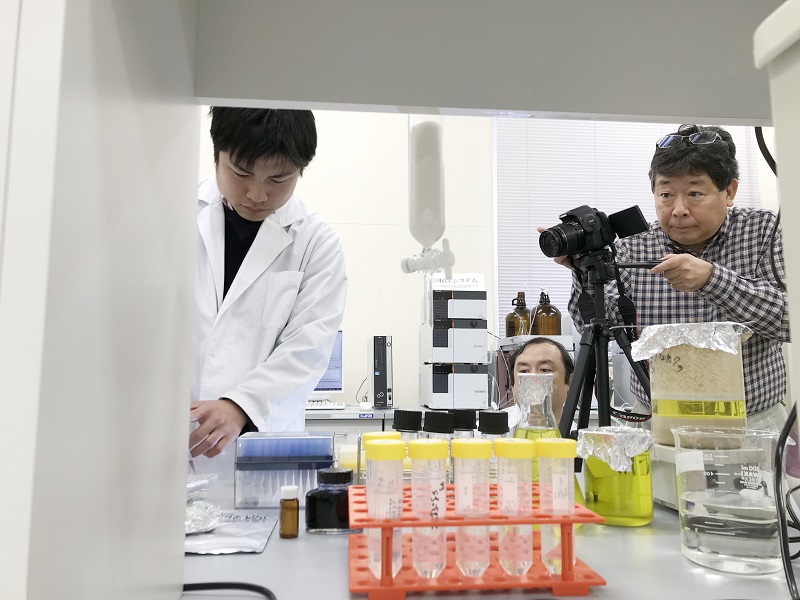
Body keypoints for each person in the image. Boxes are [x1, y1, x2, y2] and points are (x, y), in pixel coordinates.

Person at [555, 124, 788, 431]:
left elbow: (789, 321)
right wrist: (584, 272)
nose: (678, 210)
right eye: (666, 195)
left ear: (729, 191)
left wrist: (712, 280)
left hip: (753, 422)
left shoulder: (764, 232)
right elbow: (599, 328)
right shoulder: (635, 245)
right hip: (656, 420)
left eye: (694, 193)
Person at [190, 107, 347, 465]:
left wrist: (241, 405)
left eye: (278, 179)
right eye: (241, 173)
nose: (257, 194)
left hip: (261, 451)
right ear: (217, 154)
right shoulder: (173, 214)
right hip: (167, 446)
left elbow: (307, 348)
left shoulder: (316, 243)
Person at [507, 337, 574, 426]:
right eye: (524, 371)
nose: (533, 379)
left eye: (545, 370)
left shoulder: (580, 434)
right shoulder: (491, 431)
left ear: (569, 382)